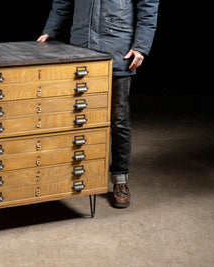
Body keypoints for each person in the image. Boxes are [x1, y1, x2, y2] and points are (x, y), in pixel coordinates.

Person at [38, 0, 159, 208]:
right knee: (75, 117)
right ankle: (75, 176)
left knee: (118, 121)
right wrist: (50, 30)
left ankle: (120, 180)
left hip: (117, 50)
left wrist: (141, 46)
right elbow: (62, 2)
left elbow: (148, 6)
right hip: (80, 49)